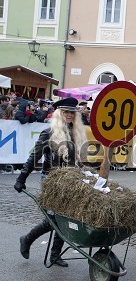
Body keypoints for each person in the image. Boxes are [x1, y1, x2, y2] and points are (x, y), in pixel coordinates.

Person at [14, 97, 87, 267]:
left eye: (72, 112)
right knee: (54, 219)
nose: (69, 115)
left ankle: (55, 255)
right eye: (66, 112)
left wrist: (83, 170)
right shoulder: (48, 132)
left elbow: (75, 158)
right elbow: (35, 156)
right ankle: (27, 239)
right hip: (51, 180)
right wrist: (21, 178)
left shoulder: (75, 132)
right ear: (59, 114)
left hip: (69, 180)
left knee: (65, 217)